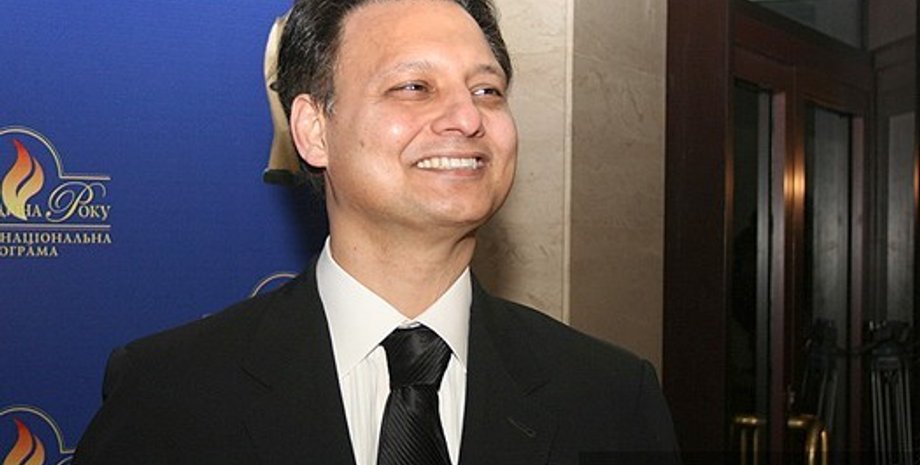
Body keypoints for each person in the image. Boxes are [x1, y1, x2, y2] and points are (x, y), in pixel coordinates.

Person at [73, 0, 681, 464]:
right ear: (313, 130)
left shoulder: (610, 397)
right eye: (415, 87)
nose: (468, 118)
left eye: (487, 90)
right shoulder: (169, 394)